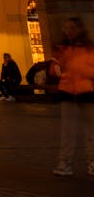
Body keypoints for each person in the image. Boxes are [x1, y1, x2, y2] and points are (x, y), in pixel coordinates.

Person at [51, 17, 94, 177]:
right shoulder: (62, 48)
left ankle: (93, 163)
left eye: (72, 28)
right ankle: (65, 163)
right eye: (66, 28)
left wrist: (78, 67)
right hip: (67, 92)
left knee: (91, 132)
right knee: (67, 132)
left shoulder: (89, 48)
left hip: (87, 92)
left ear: (80, 29)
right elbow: (57, 67)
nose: (68, 31)